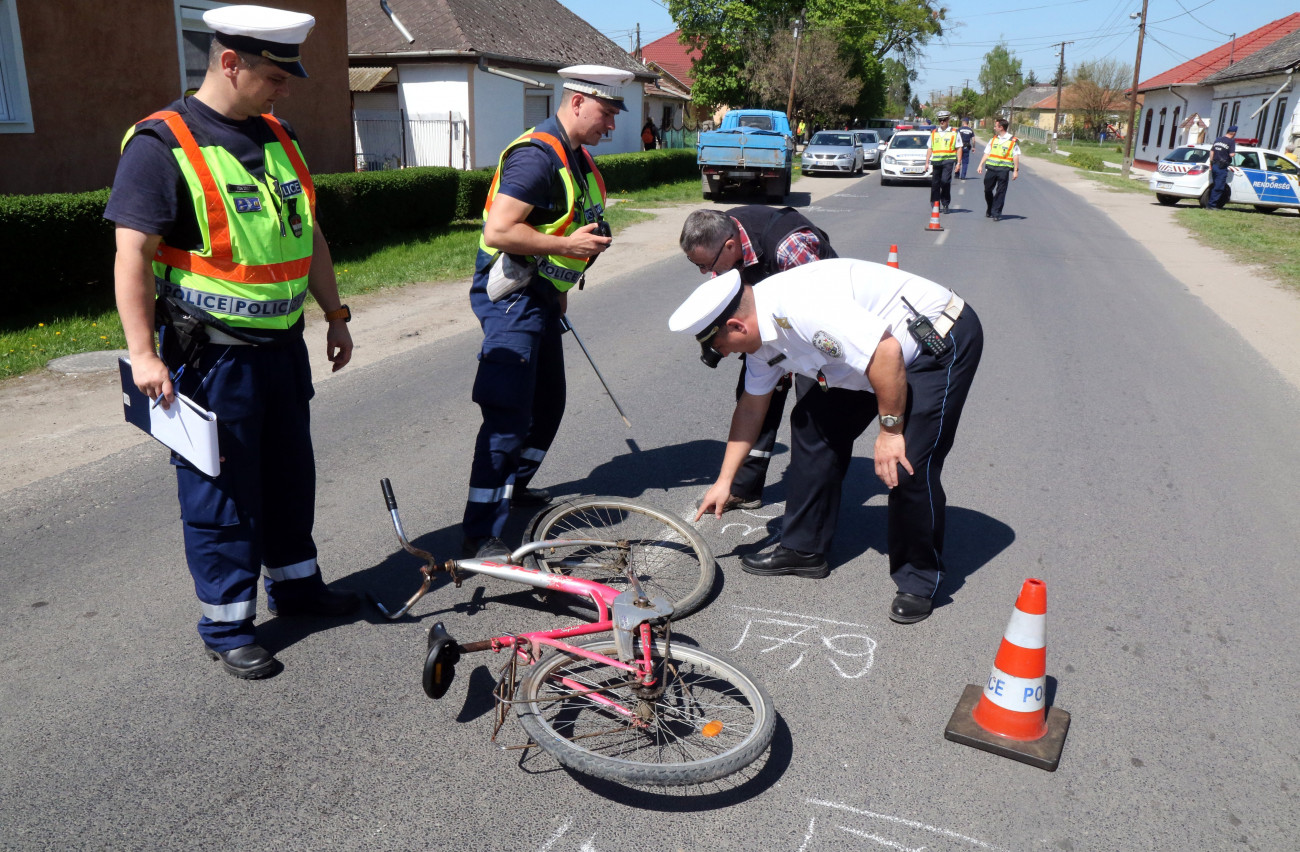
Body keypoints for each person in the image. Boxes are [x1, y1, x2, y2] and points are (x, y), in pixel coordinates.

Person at [106, 4, 359, 680]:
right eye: (275, 76)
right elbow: (132, 253)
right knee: (220, 493)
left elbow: (309, 236)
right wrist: (143, 354)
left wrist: (334, 313)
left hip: (281, 351)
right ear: (228, 63)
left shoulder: (280, 136)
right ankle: (227, 624)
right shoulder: (162, 145)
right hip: (210, 358)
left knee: (286, 477)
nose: (284, 89)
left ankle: (299, 587)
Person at [669, 259, 983, 624]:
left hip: (930, 342)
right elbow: (752, 407)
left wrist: (890, 432)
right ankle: (804, 549)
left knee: (908, 463)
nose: (723, 355)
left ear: (738, 325)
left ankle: (919, 578)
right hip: (866, 359)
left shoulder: (803, 307)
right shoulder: (758, 331)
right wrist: (725, 481)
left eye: (721, 346)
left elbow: (887, 354)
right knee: (811, 424)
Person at [461, 65, 632, 559]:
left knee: (549, 402)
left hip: (540, 296)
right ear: (577, 101)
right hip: (511, 298)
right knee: (508, 415)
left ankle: (511, 486)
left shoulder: (575, 155)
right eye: (606, 112)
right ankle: (479, 532)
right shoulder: (537, 157)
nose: (612, 125)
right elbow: (498, 232)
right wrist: (566, 243)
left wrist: (560, 289)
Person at [678, 206, 837, 511]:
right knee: (753, 397)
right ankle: (743, 487)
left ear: (730, 246)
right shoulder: (719, 232)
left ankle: (812, 502)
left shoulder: (790, 247)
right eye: (695, 264)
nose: (704, 273)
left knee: (812, 415)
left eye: (706, 265)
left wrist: (791, 358)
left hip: (816, 331)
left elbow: (823, 309)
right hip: (766, 324)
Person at [977, 118, 1020, 222]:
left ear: (1001, 127)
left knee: (1001, 192)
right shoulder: (993, 139)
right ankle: (990, 207)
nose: (994, 127)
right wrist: (980, 165)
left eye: (996, 126)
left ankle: (996, 212)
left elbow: (1016, 156)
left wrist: (1015, 170)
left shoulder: (1013, 140)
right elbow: (987, 153)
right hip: (991, 168)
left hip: (1003, 170)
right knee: (987, 190)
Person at [926, 110, 959, 213]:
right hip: (936, 161)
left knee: (945, 181)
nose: (942, 122)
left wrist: (958, 163)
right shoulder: (934, 133)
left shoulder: (954, 132)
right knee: (935, 183)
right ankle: (935, 203)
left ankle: (945, 203)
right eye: (940, 120)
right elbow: (930, 148)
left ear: (948, 120)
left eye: (944, 120)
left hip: (948, 160)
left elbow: (959, 148)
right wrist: (927, 162)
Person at [1208, 125, 1237, 210]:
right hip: (1222, 167)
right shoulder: (1231, 141)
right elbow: (1232, 154)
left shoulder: (1218, 139)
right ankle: (1211, 205)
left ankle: (1211, 204)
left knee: (1215, 186)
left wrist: (1211, 163)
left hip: (1214, 165)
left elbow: (1212, 151)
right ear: (1234, 133)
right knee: (1219, 187)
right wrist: (1232, 153)